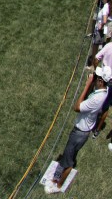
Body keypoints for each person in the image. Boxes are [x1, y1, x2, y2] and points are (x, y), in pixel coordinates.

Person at [45, 65, 112, 193]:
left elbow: (77, 107)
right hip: (83, 132)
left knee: (68, 162)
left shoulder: (97, 98)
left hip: (79, 133)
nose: (94, 78)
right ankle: (58, 180)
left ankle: (57, 186)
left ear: (101, 81)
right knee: (69, 155)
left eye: (96, 77)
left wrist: (87, 85)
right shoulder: (104, 91)